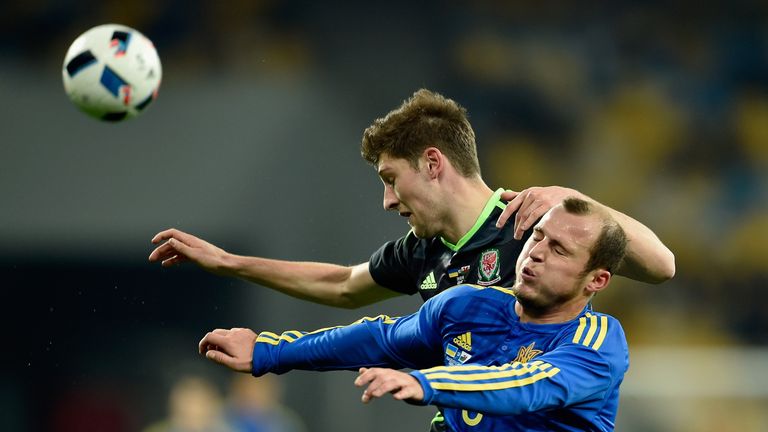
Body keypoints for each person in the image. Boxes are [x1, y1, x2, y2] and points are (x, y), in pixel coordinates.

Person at [149, 89, 674, 310]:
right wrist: (229, 262)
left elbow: (660, 265)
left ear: (432, 163)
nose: (386, 200)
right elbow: (343, 286)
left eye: (389, 178)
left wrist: (582, 200)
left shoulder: (531, 226)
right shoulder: (421, 252)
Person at [198, 197, 635, 431]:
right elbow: (378, 339)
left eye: (558, 250)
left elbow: (524, 385)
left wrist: (425, 382)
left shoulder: (598, 342)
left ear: (595, 280)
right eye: (538, 237)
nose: (536, 253)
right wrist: (268, 352)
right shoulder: (469, 304)